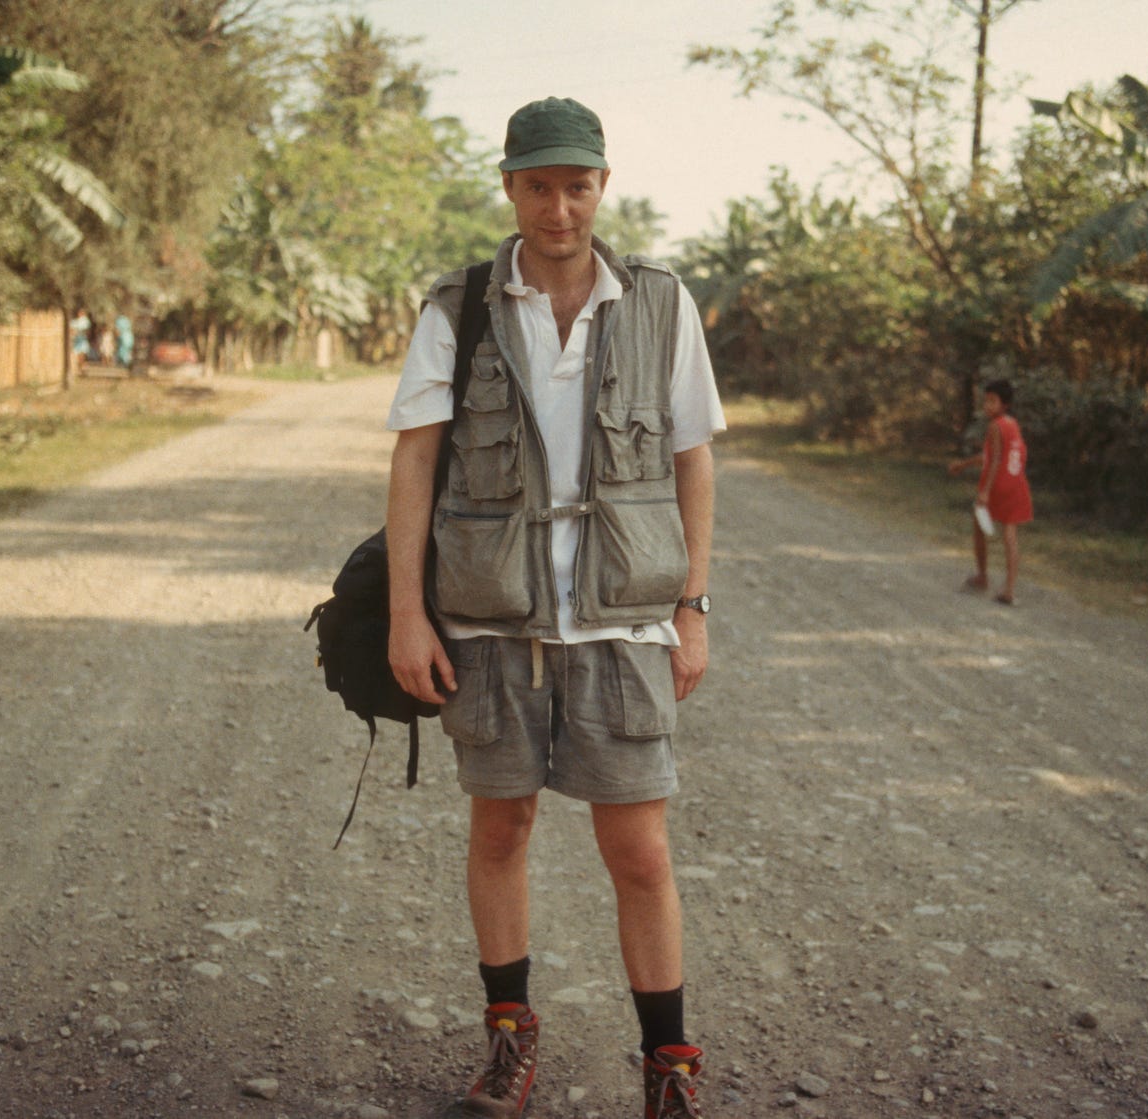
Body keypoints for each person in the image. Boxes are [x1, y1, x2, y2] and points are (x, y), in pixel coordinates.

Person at [384, 96, 724, 1118]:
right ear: (509, 187)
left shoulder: (660, 302)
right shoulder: (457, 307)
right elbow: (414, 463)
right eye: (538, 186)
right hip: (491, 623)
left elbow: (691, 457)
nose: (559, 209)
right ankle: (507, 1042)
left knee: (640, 851)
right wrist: (408, 613)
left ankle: (667, 1067)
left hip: (623, 620)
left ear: (601, 186)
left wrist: (693, 606)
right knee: (501, 830)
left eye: (577, 186)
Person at [948, 378, 1033, 604]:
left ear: (1004, 405)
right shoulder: (1012, 424)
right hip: (1016, 484)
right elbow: (993, 456)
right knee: (1009, 535)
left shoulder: (995, 426)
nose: (987, 406)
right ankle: (1009, 590)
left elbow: (993, 460)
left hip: (997, 486)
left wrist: (985, 491)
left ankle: (983, 576)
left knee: (979, 525)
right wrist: (963, 464)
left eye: (992, 401)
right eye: (986, 401)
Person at [69, 307, 92, 375]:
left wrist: (82, 332)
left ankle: (82, 368)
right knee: (77, 354)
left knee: (82, 354)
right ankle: (79, 368)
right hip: (76, 340)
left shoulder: (85, 321)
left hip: (82, 340)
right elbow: (71, 330)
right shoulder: (74, 321)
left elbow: (87, 330)